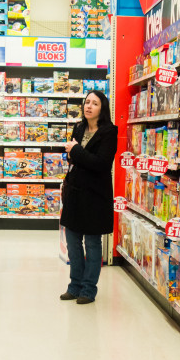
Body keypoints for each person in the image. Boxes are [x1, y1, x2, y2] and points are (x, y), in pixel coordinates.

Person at [59, 90, 118, 304]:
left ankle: (88, 290)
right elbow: (77, 158)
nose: (89, 106)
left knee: (93, 244)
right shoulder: (79, 127)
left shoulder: (109, 132)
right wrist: (71, 153)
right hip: (75, 192)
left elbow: (101, 164)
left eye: (94, 103)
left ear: (102, 108)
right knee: (73, 242)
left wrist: (75, 151)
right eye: (87, 102)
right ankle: (74, 286)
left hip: (95, 195)